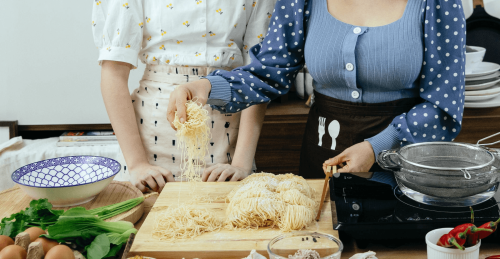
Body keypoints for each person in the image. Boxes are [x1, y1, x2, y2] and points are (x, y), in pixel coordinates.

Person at [166, 0, 466, 181]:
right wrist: (204, 87)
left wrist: (379, 147)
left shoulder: (438, 2)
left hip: (405, 170)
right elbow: (268, 73)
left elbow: (444, 104)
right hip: (320, 162)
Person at [92, 0, 277, 192]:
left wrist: (240, 164)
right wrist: (138, 164)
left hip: (229, 137)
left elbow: (256, 76)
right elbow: (113, 74)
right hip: (151, 137)